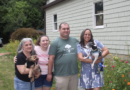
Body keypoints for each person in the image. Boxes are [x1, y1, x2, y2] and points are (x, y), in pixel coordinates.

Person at [46, 22, 79, 90]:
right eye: (64, 29)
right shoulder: (55, 42)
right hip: (61, 75)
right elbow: (51, 58)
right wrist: (49, 73)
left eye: (67, 28)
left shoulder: (75, 41)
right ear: (59, 30)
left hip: (74, 74)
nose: (66, 30)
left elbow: (83, 51)